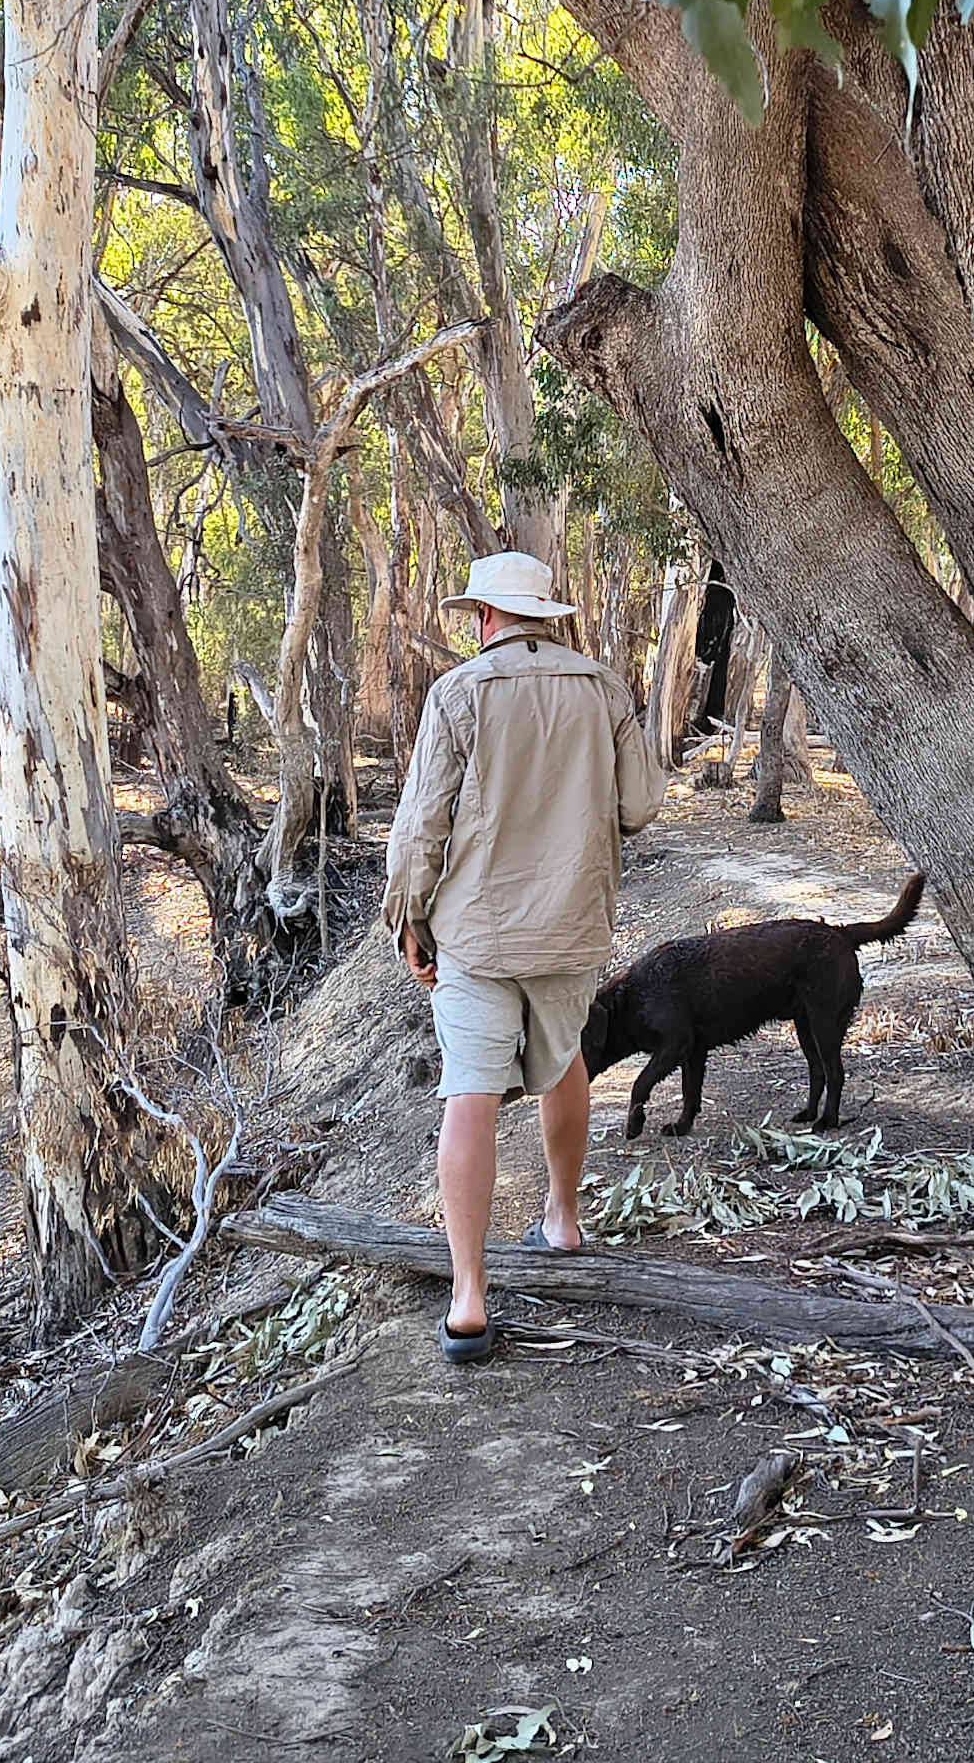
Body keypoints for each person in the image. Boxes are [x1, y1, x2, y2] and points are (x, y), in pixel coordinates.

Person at [382, 548, 658, 1363]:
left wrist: (408, 919)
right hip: (573, 924)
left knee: (470, 1091)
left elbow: (421, 829)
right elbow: (640, 805)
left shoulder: (460, 693)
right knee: (562, 1060)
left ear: (487, 618)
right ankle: (563, 1222)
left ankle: (469, 1295)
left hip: (476, 931)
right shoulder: (603, 688)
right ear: (549, 617)